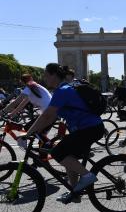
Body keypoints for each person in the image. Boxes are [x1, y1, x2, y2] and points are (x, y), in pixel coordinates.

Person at [22, 63, 104, 203]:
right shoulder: (63, 89)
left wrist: (28, 133)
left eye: (46, 75)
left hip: (89, 129)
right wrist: (36, 131)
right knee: (68, 156)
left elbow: (47, 115)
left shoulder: (63, 91)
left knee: (57, 153)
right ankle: (75, 193)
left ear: (54, 75)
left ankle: (87, 176)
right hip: (88, 128)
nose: (44, 78)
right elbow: (52, 117)